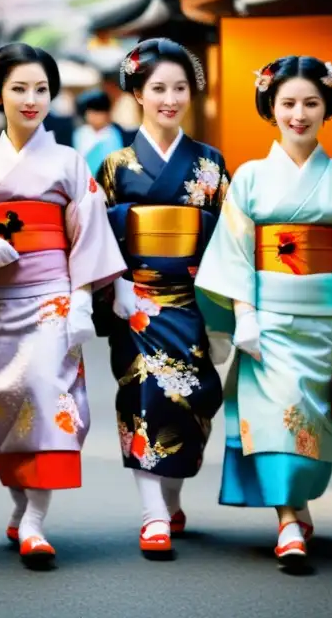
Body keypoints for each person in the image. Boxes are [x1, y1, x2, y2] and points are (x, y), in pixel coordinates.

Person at [193, 55, 332, 567]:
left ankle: (299, 503)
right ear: (271, 106)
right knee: (275, 417)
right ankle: (288, 521)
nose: (299, 113)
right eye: (287, 102)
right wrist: (243, 315)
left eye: (311, 102)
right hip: (266, 322)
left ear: (328, 107)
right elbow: (235, 250)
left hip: (322, 323)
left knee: (311, 421)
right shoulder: (248, 178)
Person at [0, 43, 125, 568]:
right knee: (8, 406)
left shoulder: (67, 161)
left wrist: (83, 302)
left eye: (41, 88)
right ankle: (21, 505)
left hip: (52, 299)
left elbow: (88, 233)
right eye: (19, 88)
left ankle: (37, 521)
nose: (32, 98)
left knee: (48, 393)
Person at [95, 38, 232, 558]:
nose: (170, 98)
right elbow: (93, 236)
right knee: (144, 398)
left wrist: (225, 307)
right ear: (137, 93)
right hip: (137, 301)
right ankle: (153, 514)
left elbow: (231, 238)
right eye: (158, 89)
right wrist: (117, 284)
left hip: (194, 300)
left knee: (193, 404)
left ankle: (170, 497)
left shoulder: (211, 164)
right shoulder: (116, 166)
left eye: (179, 88)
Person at [72, 88, 124, 175]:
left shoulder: (113, 135)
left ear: (107, 113)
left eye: (98, 112)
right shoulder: (80, 133)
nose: (94, 116)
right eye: (90, 112)